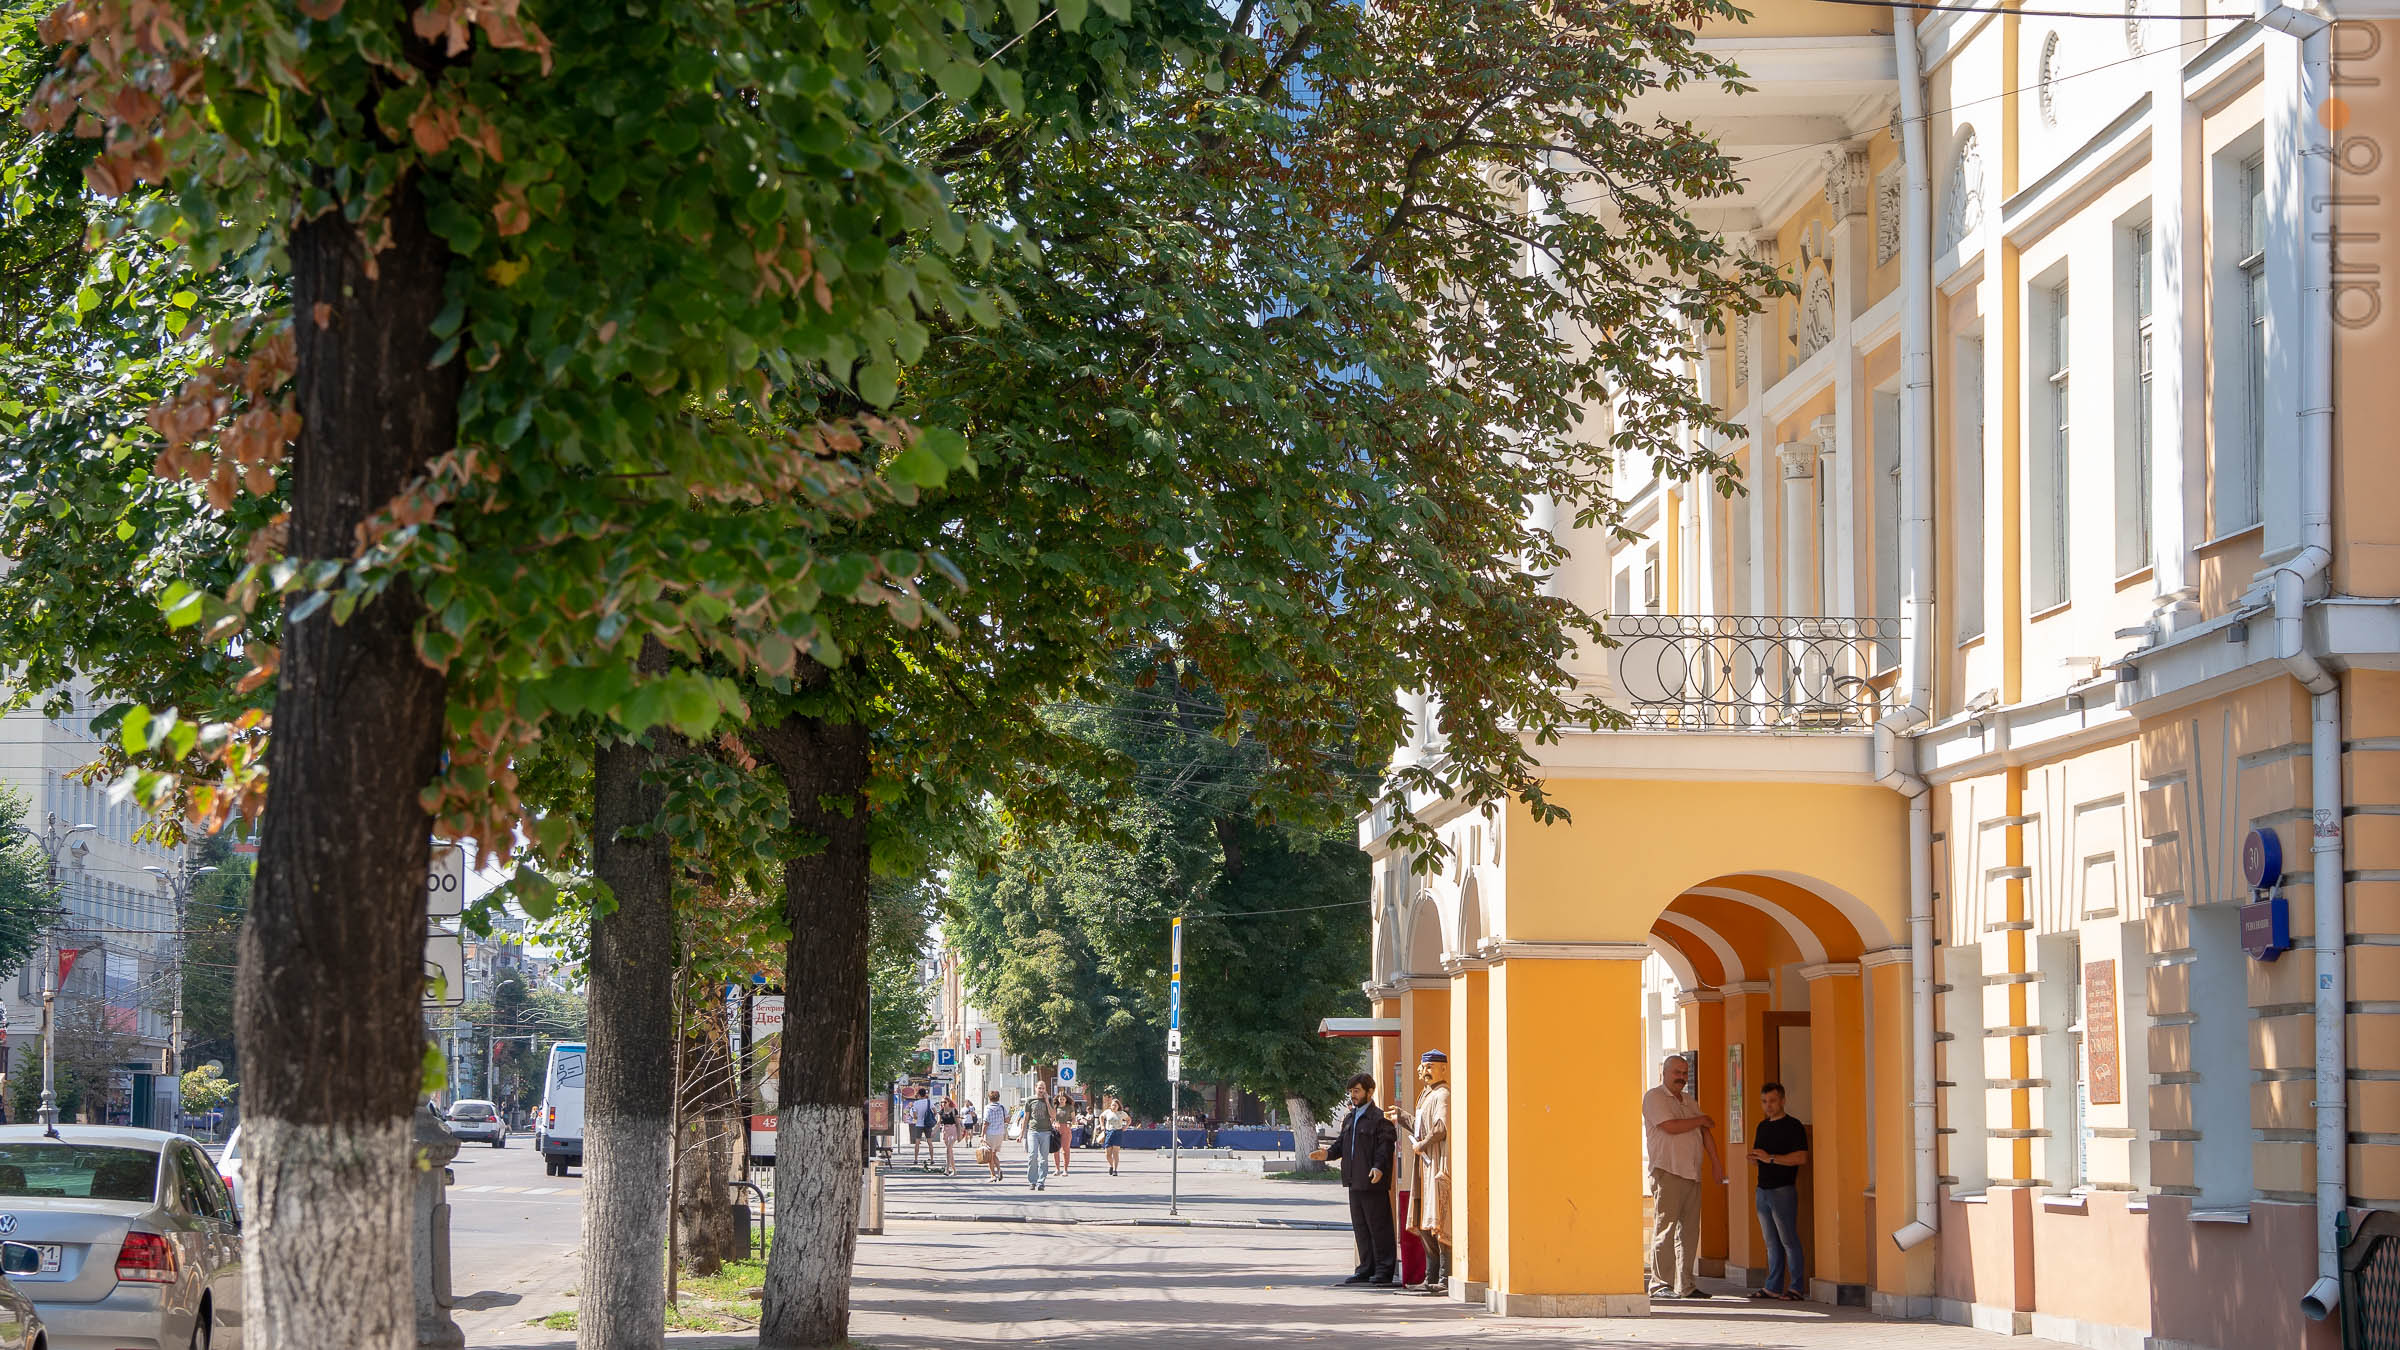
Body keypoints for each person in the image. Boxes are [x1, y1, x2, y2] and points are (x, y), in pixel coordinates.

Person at [1642, 1053, 1717, 1300]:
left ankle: (1685, 1285)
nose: (1682, 1078)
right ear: (1664, 1072)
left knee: (1689, 1231)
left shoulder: (1689, 1100)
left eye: (1685, 1073)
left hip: (1692, 1172)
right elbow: (1669, 1126)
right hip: (1668, 1171)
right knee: (1666, 1228)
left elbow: (1705, 1131)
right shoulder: (1654, 1097)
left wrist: (1716, 1164)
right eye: (1677, 1073)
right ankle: (1659, 1283)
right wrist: (1700, 1119)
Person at [1313, 1072, 1398, 1287]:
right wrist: (1327, 1154)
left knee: (1379, 1226)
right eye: (1351, 1091)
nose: (1353, 1095)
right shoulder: (1350, 1118)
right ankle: (1365, 1268)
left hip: (1372, 1181)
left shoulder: (1380, 1119)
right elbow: (1341, 1145)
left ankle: (1384, 1269)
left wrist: (1379, 1168)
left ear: (1370, 1092)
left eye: (1357, 1091)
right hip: (1354, 1180)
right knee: (1361, 1227)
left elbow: (1385, 1147)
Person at [1390, 1050, 1453, 1296]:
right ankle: (1431, 1277)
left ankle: (1444, 1278)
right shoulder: (1427, 1095)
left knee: (1438, 1218)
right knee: (1424, 1219)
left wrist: (1422, 1145)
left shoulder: (1443, 1095)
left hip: (1436, 1163)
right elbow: (1421, 1124)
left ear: (1443, 1069)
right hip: (1423, 1165)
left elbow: (1440, 1128)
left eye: (1431, 1067)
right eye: (1424, 1067)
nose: (1426, 1071)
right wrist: (1401, 1117)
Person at [1747, 1081, 1810, 1301]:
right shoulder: (1762, 1127)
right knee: (1770, 1242)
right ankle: (1772, 1286)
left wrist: (1770, 1158)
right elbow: (1761, 1157)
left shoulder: (1793, 1126)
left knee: (1788, 1240)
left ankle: (1796, 1287)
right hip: (1762, 1190)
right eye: (1764, 1102)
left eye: (1773, 1101)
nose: (1769, 1106)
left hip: (1783, 1190)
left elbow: (1801, 1158)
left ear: (1782, 1100)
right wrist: (1756, 1159)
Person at [1022, 1089, 1058, 1191]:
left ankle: (1041, 1182)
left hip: (1046, 1132)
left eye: (1043, 1088)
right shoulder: (1030, 1100)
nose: (1041, 1090)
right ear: (1035, 1088)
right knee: (1032, 1155)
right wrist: (1021, 1134)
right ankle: (1032, 1181)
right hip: (1033, 1131)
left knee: (1043, 1158)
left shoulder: (1049, 1099)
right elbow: (1026, 1117)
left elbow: (1053, 1115)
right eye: (1040, 1088)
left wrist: (1047, 1101)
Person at [1098, 1094, 1131, 1176]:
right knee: (1107, 1154)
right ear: (1110, 1106)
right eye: (1113, 1105)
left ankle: (1115, 1170)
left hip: (1117, 1132)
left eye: (1116, 1105)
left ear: (1118, 1106)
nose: (1114, 1107)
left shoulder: (1121, 1113)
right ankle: (1111, 1165)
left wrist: (1125, 1127)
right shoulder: (1107, 1112)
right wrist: (1102, 1125)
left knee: (1115, 1152)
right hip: (1108, 1132)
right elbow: (1101, 1116)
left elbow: (1129, 1119)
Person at [980, 1090, 1009, 1182]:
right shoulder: (1002, 1107)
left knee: (989, 1156)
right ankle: (999, 1169)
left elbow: (986, 1123)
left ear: (989, 1098)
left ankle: (993, 1175)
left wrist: (982, 1135)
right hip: (1000, 1134)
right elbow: (1007, 1119)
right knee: (994, 1154)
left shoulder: (988, 1108)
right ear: (998, 1098)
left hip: (990, 1133)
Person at [906, 1089, 937, 1170]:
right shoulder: (929, 1102)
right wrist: (930, 1117)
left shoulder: (916, 1103)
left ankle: (916, 1159)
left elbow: (915, 1116)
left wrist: (918, 1117)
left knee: (917, 1142)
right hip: (928, 1124)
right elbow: (935, 1112)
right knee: (930, 1142)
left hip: (919, 1124)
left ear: (919, 1095)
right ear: (925, 1094)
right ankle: (932, 1159)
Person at [1052, 1092, 1076, 1176]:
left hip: (1066, 1128)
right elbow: (1052, 1118)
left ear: (1066, 1099)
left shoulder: (1069, 1107)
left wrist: (1070, 1123)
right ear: (1058, 1099)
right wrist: (1054, 1123)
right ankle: (1057, 1169)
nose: (1061, 1101)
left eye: (1063, 1099)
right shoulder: (1055, 1107)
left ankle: (1065, 1169)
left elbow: (1073, 1118)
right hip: (1056, 1129)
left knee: (1065, 1150)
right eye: (1060, 1099)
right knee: (1055, 1150)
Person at [938, 1096, 962, 1177]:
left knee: (948, 1149)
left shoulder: (954, 1110)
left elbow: (958, 1123)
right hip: (945, 1131)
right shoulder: (941, 1111)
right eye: (942, 1102)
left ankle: (947, 1169)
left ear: (949, 1102)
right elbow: (938, 1123)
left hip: (953, 1130)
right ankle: (954, 1170)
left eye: (945, 1102)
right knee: (950, 1151)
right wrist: (933, 1132)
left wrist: (959, 1135)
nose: (943, 1104)